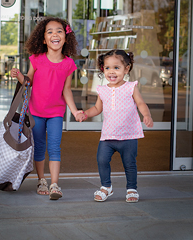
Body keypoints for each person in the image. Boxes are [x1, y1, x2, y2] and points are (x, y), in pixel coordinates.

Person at [10, 17, 82, 200]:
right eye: (49, 32)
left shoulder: (68, 64)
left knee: (55, 147)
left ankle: (55, 184)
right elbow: (29, 82)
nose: (54, 34)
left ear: (66, 38)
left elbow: (66, 90)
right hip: (36, 113)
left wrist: (74, 111)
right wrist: (19, 75)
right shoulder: (37, 59)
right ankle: (42, 180)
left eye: (59, 31)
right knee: (40, 147)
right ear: (43, 39)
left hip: (56, 113)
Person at [76, 49, 153, 203]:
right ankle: (106, 187)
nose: (111, 72)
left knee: (129, 164)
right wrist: (85, 114)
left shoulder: (131, 87)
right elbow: (97, 109)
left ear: (127, 69)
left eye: (116, 68)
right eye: (107, 68)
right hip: (108, 136)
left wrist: (146, 115)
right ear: (103, 69)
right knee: (102, 160)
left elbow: (140, 103)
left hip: (128, 135)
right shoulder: (102, 90)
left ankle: (132, 188)